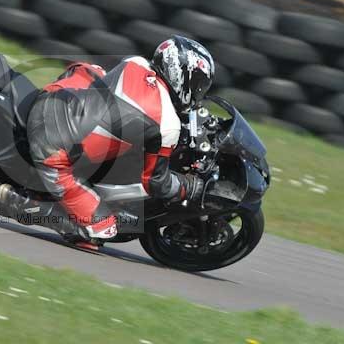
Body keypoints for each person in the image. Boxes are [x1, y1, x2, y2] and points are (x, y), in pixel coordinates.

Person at [26, 36, 215, 250]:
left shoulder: (136, 62)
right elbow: (155, 182)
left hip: (55, 96)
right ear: (182, 76)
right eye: (198, 85)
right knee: (104, 230)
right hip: (52, 148)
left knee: (95, 71)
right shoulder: (168, 124)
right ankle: (23, 204)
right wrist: (189, 186)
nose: (198, 92)